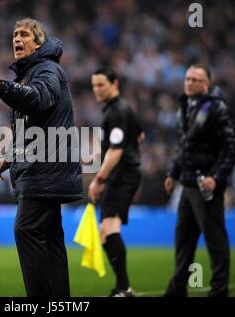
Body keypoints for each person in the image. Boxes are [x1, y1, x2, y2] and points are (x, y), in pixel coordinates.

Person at [0, 18, 83, 297]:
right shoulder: (33, 72)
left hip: (45, 171)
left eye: (24, 34)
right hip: (45, 168)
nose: (17, 39)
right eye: (14, 34)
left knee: (26, 230)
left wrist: (1, 88)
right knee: (49, 237)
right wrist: (10, 155)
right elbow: (34, 125)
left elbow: (39, 100)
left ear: (39, 42)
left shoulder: (46, 69)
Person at [163, 64, 235, 297]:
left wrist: (216, 177)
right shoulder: (185, 106)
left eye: (197, 79)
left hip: (205, 186)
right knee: (183, 241)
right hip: (187, 185)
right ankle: (178, 289)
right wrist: (173, 173)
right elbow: (184, 145)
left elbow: (230, 147)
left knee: (215, 240)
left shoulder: (216, 108)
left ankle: (219, 290)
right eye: (188, 78)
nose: (190, 82)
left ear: (207, 85)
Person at [88, 68, 143, 297]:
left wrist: (98, 179)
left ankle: (124, 288)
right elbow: (140, 135)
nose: (97, 89)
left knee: (109, 231)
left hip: (122, 176)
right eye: (94, 85)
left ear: (114, 83)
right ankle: (123, 287)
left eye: (101, 84)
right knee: (106, 232)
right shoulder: (119, 109)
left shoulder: (117, 111)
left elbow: (116, 151)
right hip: (121, 175)